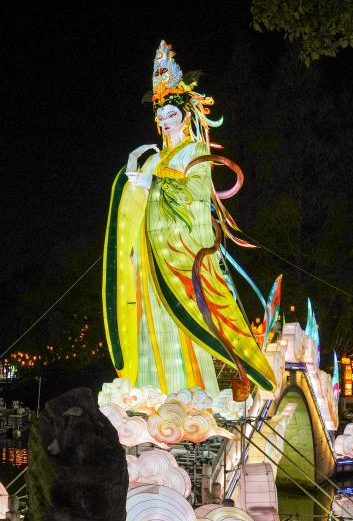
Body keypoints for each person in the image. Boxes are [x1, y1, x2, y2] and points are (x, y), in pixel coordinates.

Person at [102, 41, 275, 400]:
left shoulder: (196, 150)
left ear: (185, 115)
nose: (166, 122)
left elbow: (197, 191)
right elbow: (136, 200)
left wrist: (156, 182)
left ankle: (194, 393)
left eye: (171, 114)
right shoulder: (155, 158)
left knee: (188, 314)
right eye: (161, 116)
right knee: (153, 321)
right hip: (152, 252)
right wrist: (135, 178)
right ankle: (150, 393)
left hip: (180, 250)